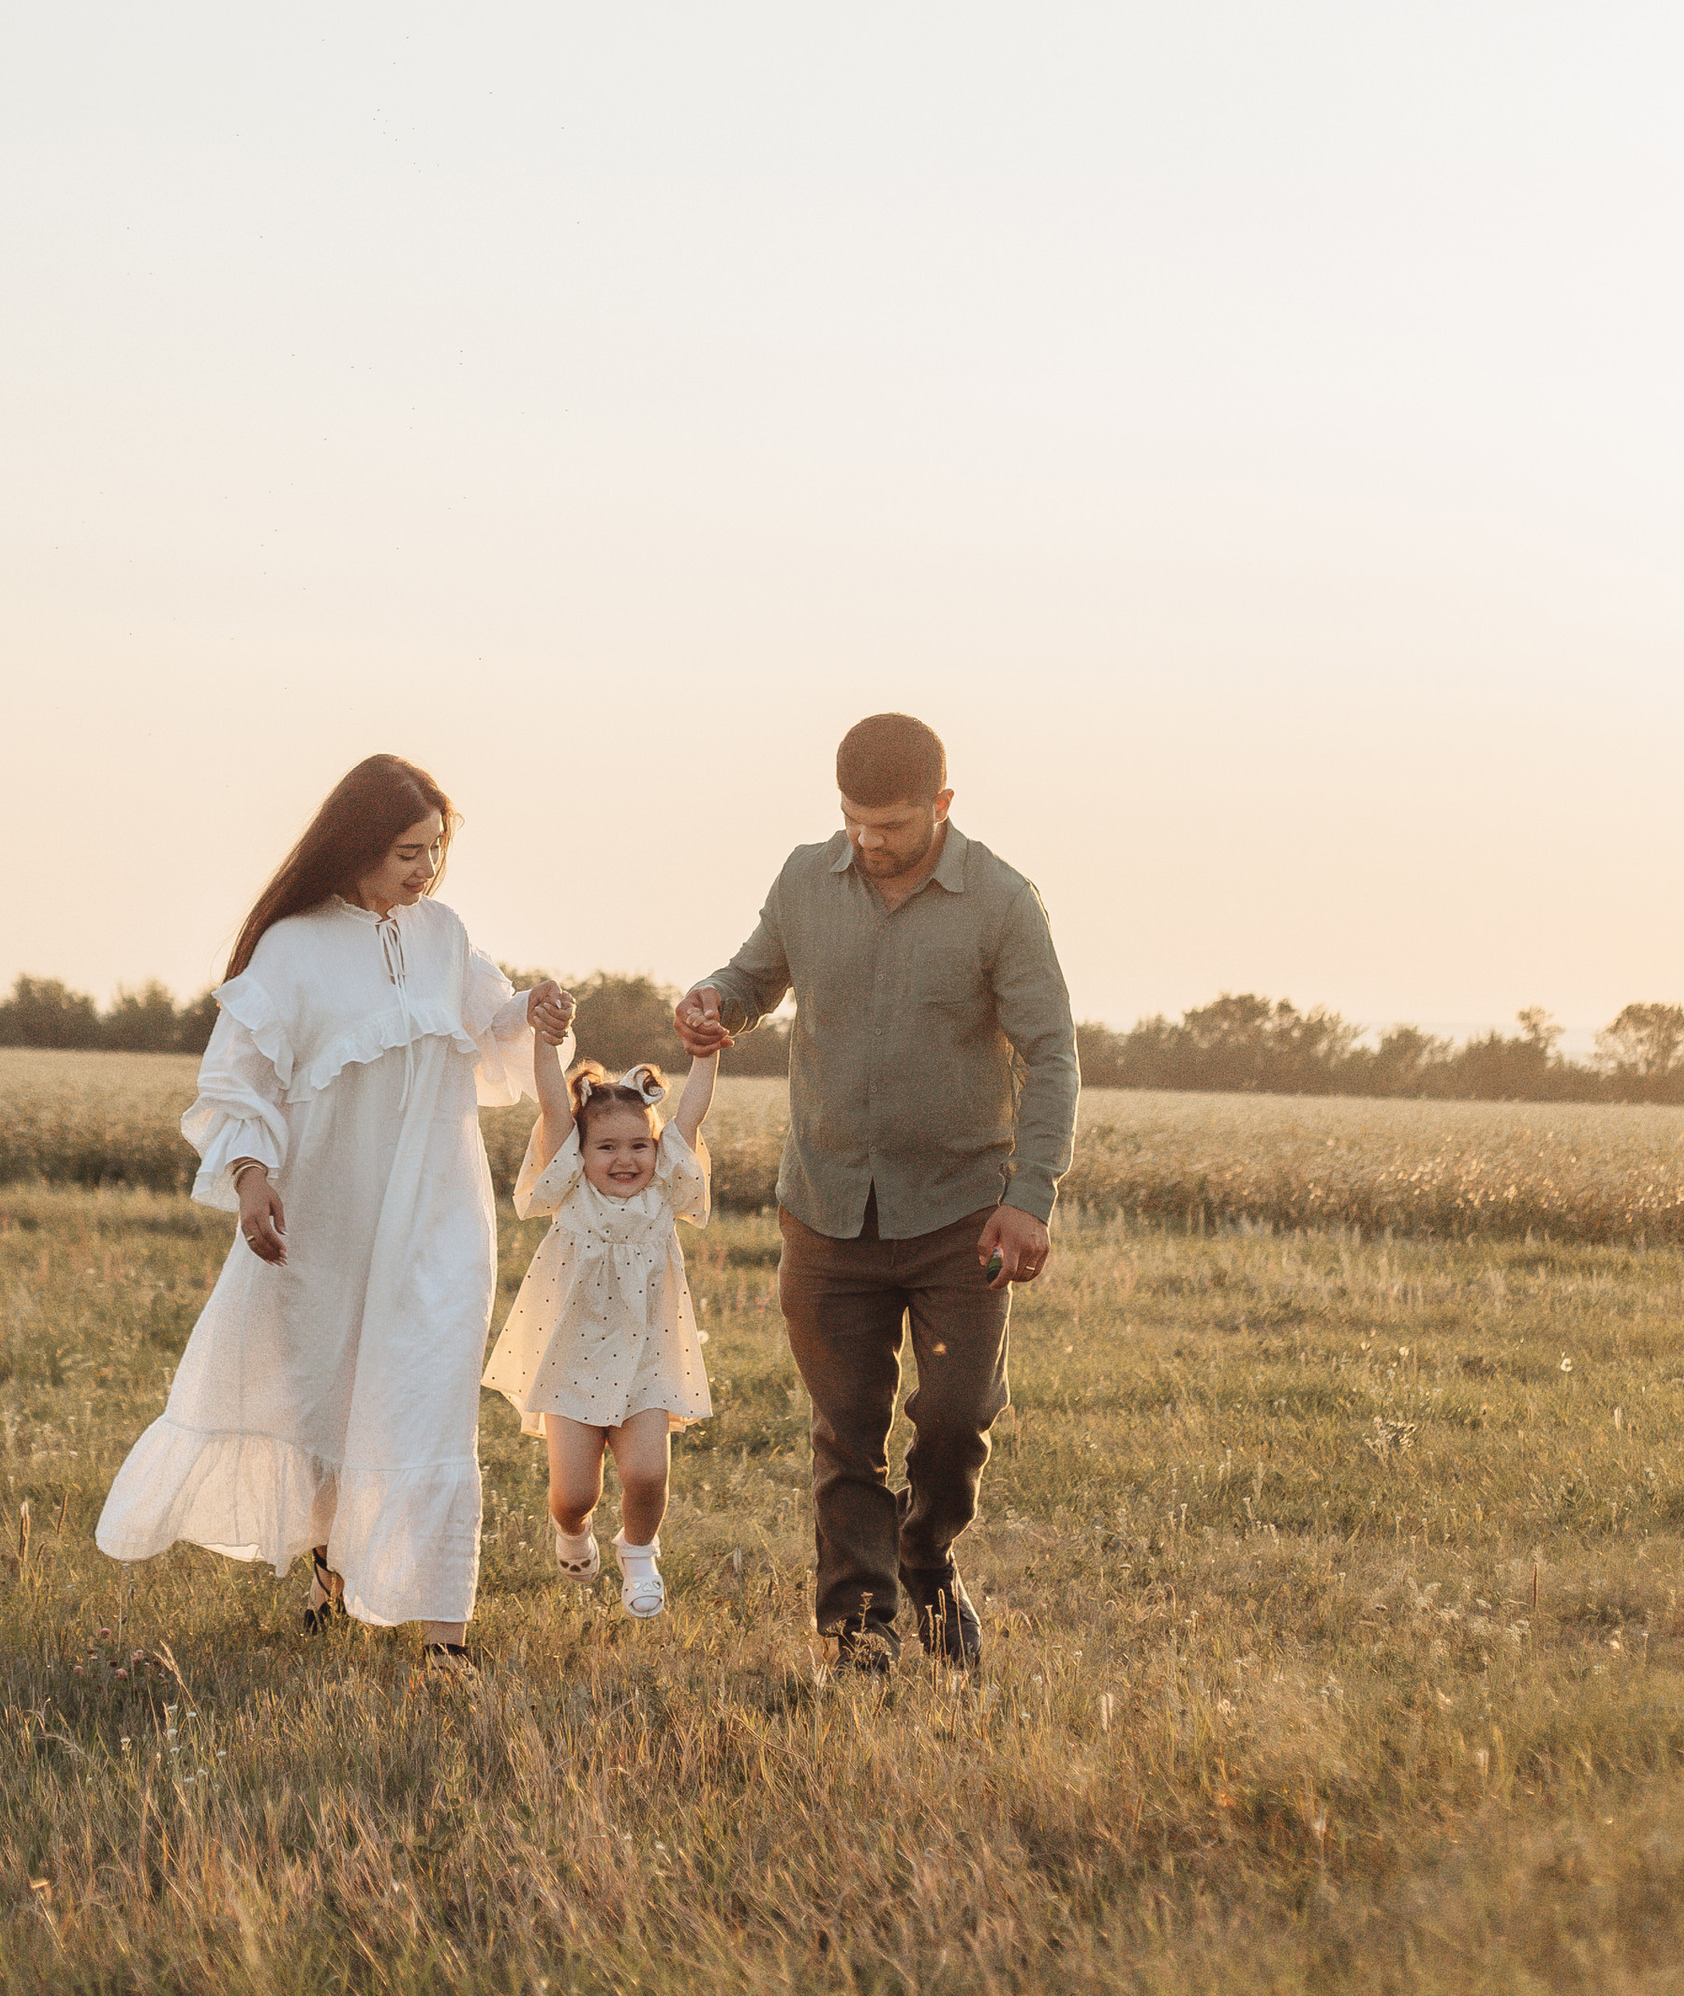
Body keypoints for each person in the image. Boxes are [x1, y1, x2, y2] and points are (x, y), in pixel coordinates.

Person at [96, 754, 573, 1661]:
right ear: (354, 846)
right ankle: (333, 1576)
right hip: (327, 1216)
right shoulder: (294, 948)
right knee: (328, 1393)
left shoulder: (444, 934)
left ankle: (444, 1638)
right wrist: (250, 1177)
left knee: (432, 1400)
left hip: (437, 1213)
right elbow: (241, 1080)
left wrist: (534, 1010)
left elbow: (492, 1030)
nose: (424, 871)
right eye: (405, 852)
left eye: (435, 851)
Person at [674, 710, 1079, 1682]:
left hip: (959, 1215)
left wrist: (1029, 1197)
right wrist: (713, 1003)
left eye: (891, 824)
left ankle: (924, 1553)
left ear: (941, 805)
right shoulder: (803, 879)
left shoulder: (1002, 902)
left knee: (953, 1419)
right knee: (844, 1431)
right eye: (855, 820)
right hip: (823, 1206)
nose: (868, 841)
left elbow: (1051, 1054)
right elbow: (754, 974)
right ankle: (858, 1628)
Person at [481, 1039, 717, 1617]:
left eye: (640, 1145)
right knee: (575, 1491)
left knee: (647, 1472)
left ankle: (638, 1553)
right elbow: (551, 1108)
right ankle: (571, 1529)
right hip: (570, 1359)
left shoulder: (663, 1191)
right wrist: (544, 1043)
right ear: (577, 1154)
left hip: (647, 1358)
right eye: (606, 1146)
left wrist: (708, 1055)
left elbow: (691, 1113)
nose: (625, 1159)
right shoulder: (571, 1192)